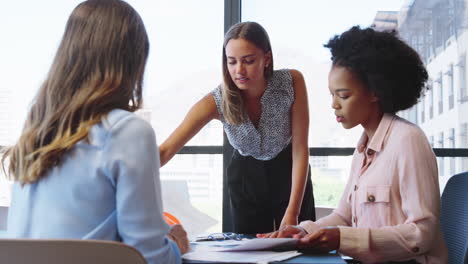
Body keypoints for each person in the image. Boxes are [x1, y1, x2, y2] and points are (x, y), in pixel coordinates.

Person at [3, 1, 188, 263]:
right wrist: (176, 246)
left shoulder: (36, 131)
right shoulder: (126, 131)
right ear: (132, 61)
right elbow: (150, 257)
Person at [258, 26, 448, 263]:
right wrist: (303, 231)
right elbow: (344, 216)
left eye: (344, 95)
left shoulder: (408, 141)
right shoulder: (362, 150)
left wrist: (342, 239)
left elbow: (423, 234)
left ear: (375, 92)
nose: (334, 105)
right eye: (332, 95)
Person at [159, 21, 315, 235]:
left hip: (290, 171)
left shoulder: (292, 81)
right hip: (245, 178)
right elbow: (166, 150)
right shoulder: (216, 101)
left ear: (266, 59)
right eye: (231, 62)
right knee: (248, 250)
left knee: (301, 247)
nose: (239, 70)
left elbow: (300, 148)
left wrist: (292, 212)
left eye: (248, 61)